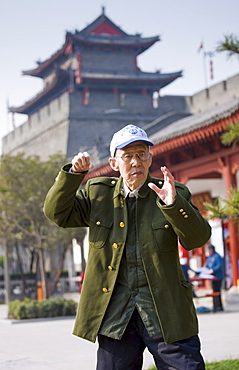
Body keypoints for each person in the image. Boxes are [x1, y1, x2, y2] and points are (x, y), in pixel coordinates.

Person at [44, 124, 211, 370]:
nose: (136, 162)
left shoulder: (172, 193)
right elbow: (56, 213)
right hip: (116, 313)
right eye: (128, 156)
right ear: (114, 163)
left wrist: (173, 205)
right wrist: (72, 176)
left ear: (150, 158)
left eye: (142, 154)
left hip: (166, 311)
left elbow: (198, 239)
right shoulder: (97, 194)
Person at [205, 244, 224, 312]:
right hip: (212, 277)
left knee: (217, 291)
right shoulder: (209, 257)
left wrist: (213, 270)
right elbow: (207, 265)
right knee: (215, 291)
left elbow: (219, 266)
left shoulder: (217, 256)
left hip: (218, 276)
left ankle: (218, 306)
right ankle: (217, 305)